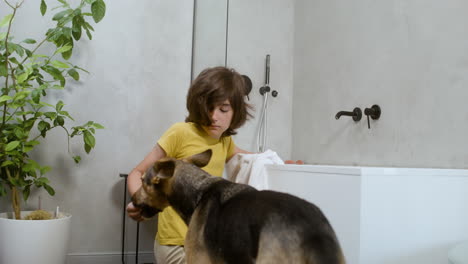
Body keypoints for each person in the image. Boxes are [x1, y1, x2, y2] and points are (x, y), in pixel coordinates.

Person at [126, 66, 253, 264]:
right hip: (174, 244)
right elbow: (137, 172)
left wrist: (279, 161)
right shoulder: (180, 133)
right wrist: (138, 200)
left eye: (223, 109)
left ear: (235, 111)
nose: (213, 116)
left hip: (202, 242)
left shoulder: (224, 142)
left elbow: (253, 158)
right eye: (208, 107)